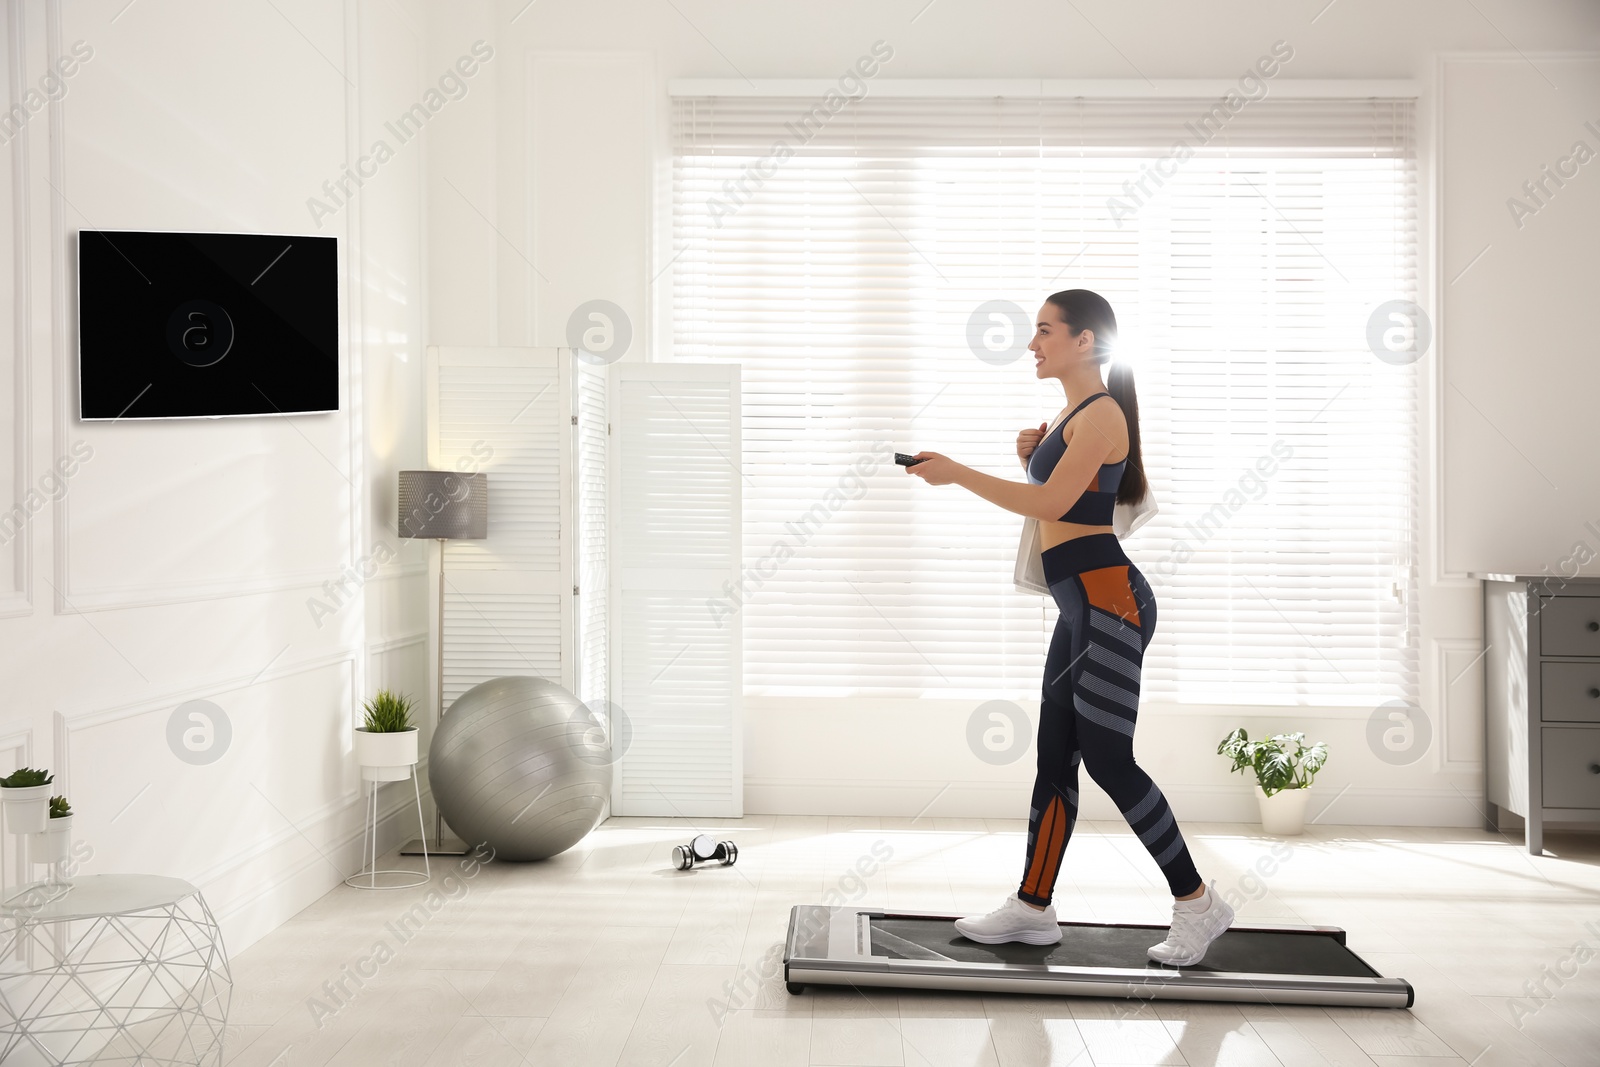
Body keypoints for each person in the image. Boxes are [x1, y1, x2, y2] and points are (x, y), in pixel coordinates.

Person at [904, 288, 1234, 966]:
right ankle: (1032, 906)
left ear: (1086, 341)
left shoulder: (1104, 412)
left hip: (1111, 604)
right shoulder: (1074, 412)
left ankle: (1198, 903)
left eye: (1046, 331)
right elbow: (1065, 489)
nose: (1034, 343)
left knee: (1110, 758)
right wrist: (1035, 445)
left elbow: (1054, 502)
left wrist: (959, 473)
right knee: (1055, 752)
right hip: (1080, 606)